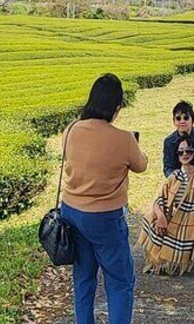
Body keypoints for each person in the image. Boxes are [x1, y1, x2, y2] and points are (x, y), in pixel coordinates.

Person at [60, 73, 148, 324]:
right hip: (105, 219)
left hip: (72, 213)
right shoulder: (123, 139)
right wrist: (137, 146)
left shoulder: (71, 130)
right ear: (116, 107)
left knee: (84, 279)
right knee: (120, 281)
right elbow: (140, 166)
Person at [137, 133, 194, 274]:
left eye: (189, 150)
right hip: (174, 222)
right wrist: (161, 217)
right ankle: (161, 260)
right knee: (152, 218)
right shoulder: (174, 177)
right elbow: (158, 201)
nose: (185, 154)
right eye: (181, 151)